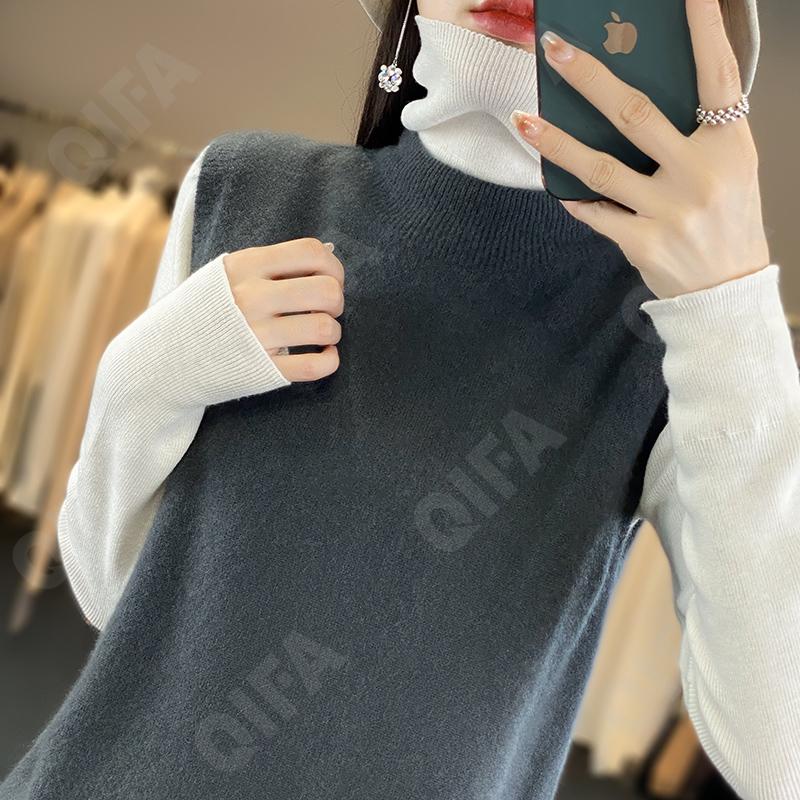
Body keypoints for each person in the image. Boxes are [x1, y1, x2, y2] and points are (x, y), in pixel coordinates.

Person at [3, 0, 799, 798]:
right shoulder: (245, 187)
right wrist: (142, 379)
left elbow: (776, 759)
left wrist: (732, 306)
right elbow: (119, 605)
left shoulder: (675, 335)